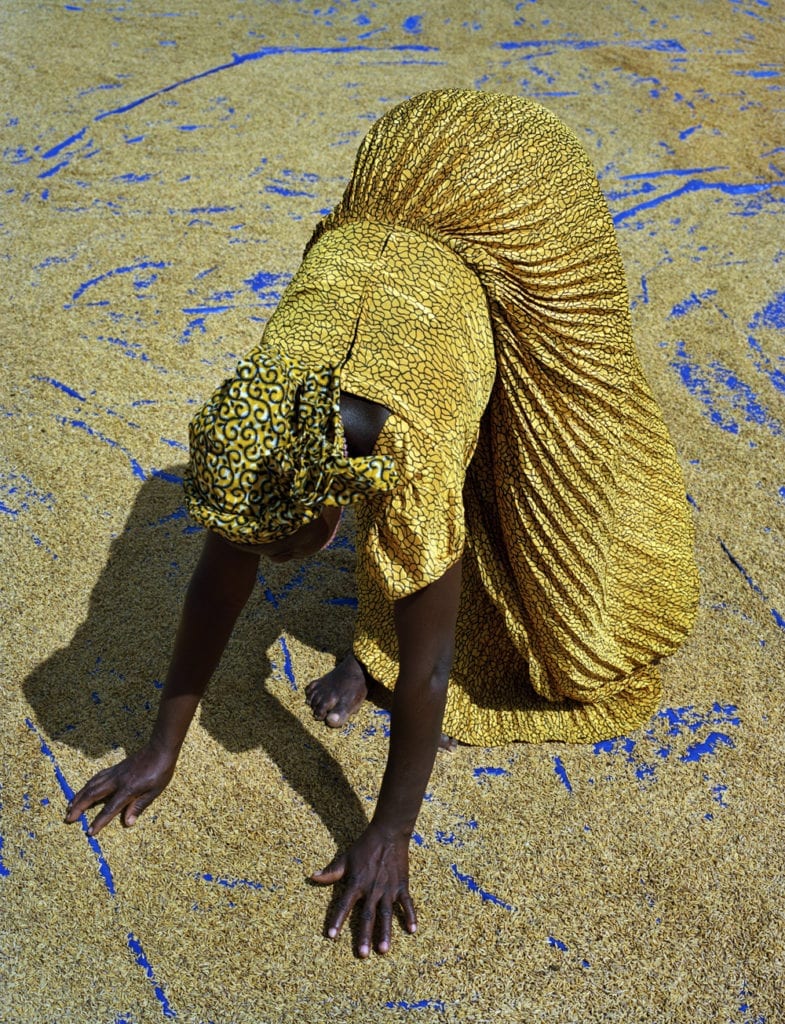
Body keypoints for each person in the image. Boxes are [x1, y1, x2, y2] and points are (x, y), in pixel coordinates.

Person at [65, 89, 699, 957]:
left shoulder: (409, 443)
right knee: (410, 548)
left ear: (331, 515)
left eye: (279, 554)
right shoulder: (265, 417)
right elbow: (219, 578)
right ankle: (368, 651)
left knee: (554, 463)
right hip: (392, 217)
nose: (263, 568)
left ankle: (435, 628)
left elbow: (432, 667)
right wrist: (159, 746)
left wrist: (389, 833)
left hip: (515, 193)